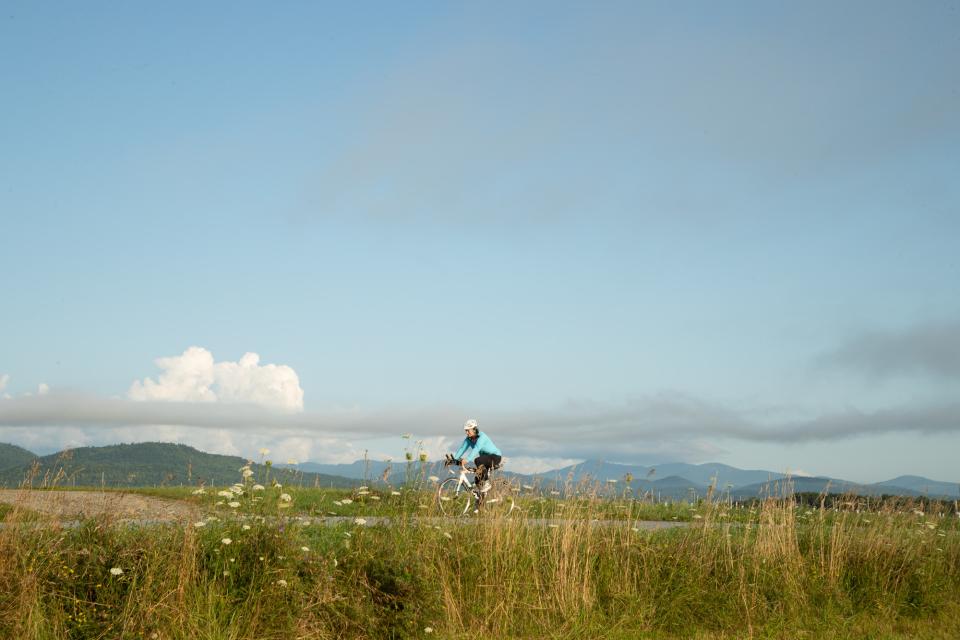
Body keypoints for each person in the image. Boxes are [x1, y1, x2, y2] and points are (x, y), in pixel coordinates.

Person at [451, 419, 502, 493]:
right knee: (477, 480)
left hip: (495, 457)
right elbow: (462, 448)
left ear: (474, 429)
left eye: (468, 430)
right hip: (485, 459)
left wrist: (467, 459)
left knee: (478, 460)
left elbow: (477, 448)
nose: (466, 432)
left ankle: (486, 483)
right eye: (465, 430)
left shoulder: (482, 436)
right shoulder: (468, 439)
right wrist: (454, 459)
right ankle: (481, 502)